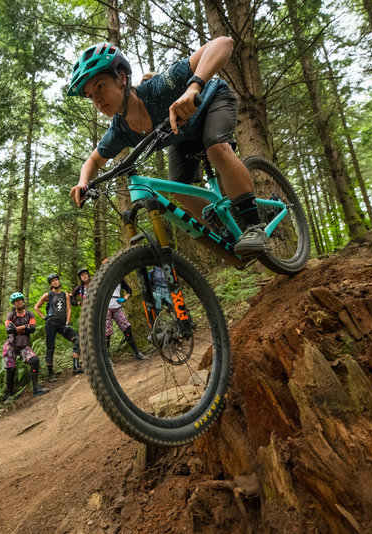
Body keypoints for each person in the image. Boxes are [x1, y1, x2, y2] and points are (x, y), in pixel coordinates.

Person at [67, 39, 267, 256]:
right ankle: (228, 227)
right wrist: (83, 183)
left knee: (216, 147)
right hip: (182, 135)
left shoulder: (158, 87)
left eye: (100, 87)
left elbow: (224, 43)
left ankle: (254, 226)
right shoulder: (119, 131)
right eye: (90, 96)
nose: (97, 100)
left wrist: (194, 87)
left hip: (212, 101)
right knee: (179, 190)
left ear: (122, 78)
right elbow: (94, 160)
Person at [34, 273, 82, 380]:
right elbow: (36, 307)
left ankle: (75, 367)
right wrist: (43, 317)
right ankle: (50, 375)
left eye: (56, 280)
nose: (55, 282)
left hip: (62, 324)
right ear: (50, 284)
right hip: (51, 323)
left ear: (59, 281)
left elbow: (69, 309)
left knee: (77, 340)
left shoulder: (65, 295)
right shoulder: (48, 295)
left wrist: (67, 323)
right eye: (52, 281)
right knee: (50, 348)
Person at [3, 292, 48, 400]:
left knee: (34, 360)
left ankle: (36, 388)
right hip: (11, 345)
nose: (18, 302)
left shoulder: (30, 314)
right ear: (13, 303)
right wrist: (25, 326)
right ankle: (9, 395)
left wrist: (17, 328)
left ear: (23, 301)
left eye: (20, 300)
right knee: (10, 369)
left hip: (23, 344)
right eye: (16, 301)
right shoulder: (11, 315)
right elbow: (9, 330)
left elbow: (32, 328)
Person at [106, 278, 148, 361]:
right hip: (106, 308)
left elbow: (129, 290)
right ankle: (107, 358)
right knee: (107, 332)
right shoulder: (104, 278)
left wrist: (125, 298)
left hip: (117, 306)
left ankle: (137, 353)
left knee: (127, 328)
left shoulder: (120, 278)